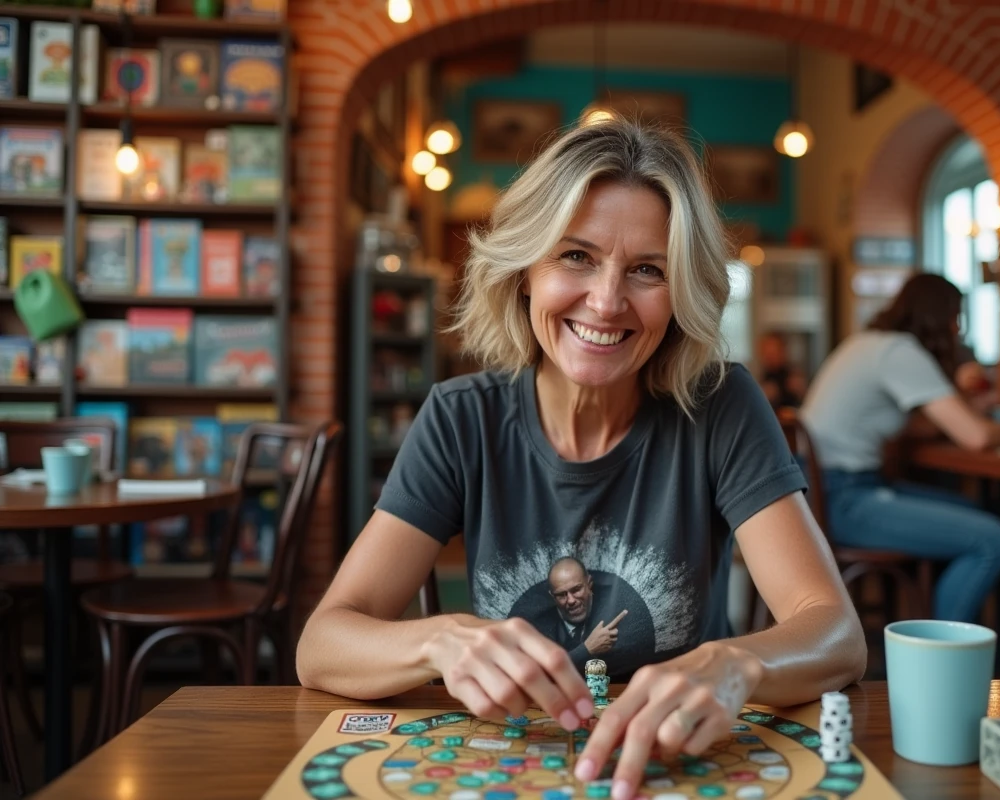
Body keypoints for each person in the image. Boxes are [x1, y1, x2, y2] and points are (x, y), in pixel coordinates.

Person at [297, 118, 866, 800]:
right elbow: (321, 645)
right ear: (525, 270)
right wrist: (439, 642)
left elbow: (835, 632)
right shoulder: (461, 416)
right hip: (504, 770)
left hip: (676, 770)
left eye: (648, 270)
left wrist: (736, 662)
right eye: (575, 256)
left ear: (681, 291)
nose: (606, 300)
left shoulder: (723, 404)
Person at [800, 273, 1000, 623]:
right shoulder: (899, 350)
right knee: (990, 538)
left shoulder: (868, 342)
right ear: (939, 316)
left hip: (825, 493)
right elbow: (975, 437)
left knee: (972, 509)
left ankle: (935, 626)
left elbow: (927, 425)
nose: (957, 330)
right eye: (955, 318)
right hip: (844, 498)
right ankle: (941, 659)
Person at [545, 556, 627, 663]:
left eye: (576, 590)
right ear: (553, 597)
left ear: (589, 584)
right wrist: (587, 649)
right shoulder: (541, 628)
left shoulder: (616, 605)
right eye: (561, 595)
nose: (571, 600)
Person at [757, 332, 807, 410]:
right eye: (767, 353)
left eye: (773, 352)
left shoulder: (793, 376)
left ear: (782, 351)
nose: (770, 357)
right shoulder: (763, 378)